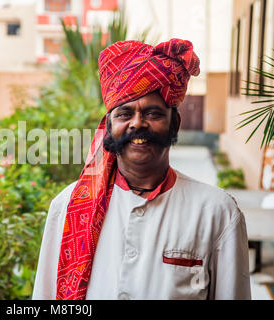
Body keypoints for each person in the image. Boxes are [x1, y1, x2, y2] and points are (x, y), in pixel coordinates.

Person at [32, 39, 251, 300]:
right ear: (109, 126)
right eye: (124, 114)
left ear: (175, 123)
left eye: (153, 113)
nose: (137, 124)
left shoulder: (217, 211)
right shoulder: (67, 206)